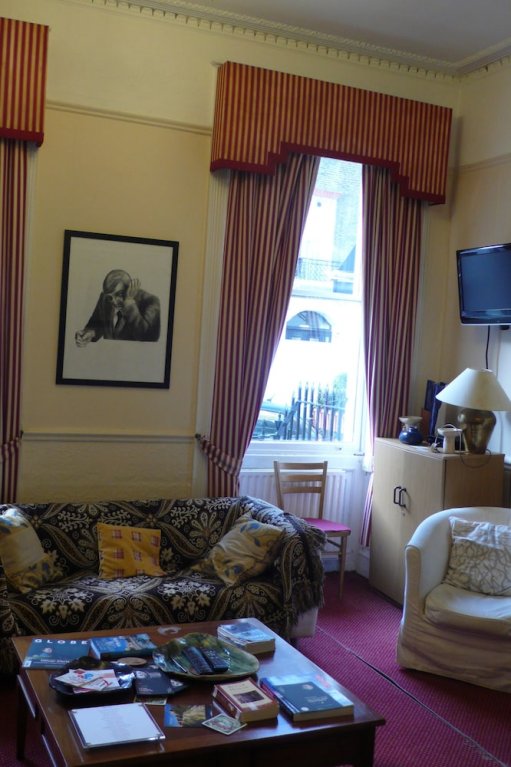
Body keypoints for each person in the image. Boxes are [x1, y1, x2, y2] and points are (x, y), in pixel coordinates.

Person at [75, 269, 160, 346]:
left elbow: (147, 337)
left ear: (129, 288)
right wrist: (90, 333)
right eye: (110, 297)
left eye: (119, 294)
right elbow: (97, 324)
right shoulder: (105, 299)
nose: (114, 302)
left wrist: (129, 303)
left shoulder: (151, 302)